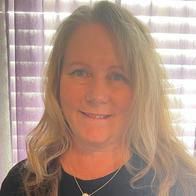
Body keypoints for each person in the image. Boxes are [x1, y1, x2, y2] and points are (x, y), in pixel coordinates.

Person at [1, 1, 196, 196]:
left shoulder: (181, 185)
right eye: (80, 72)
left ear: (142, 89)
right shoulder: (22, 184)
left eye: (117, 76)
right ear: (57, 82)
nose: (97, 95)